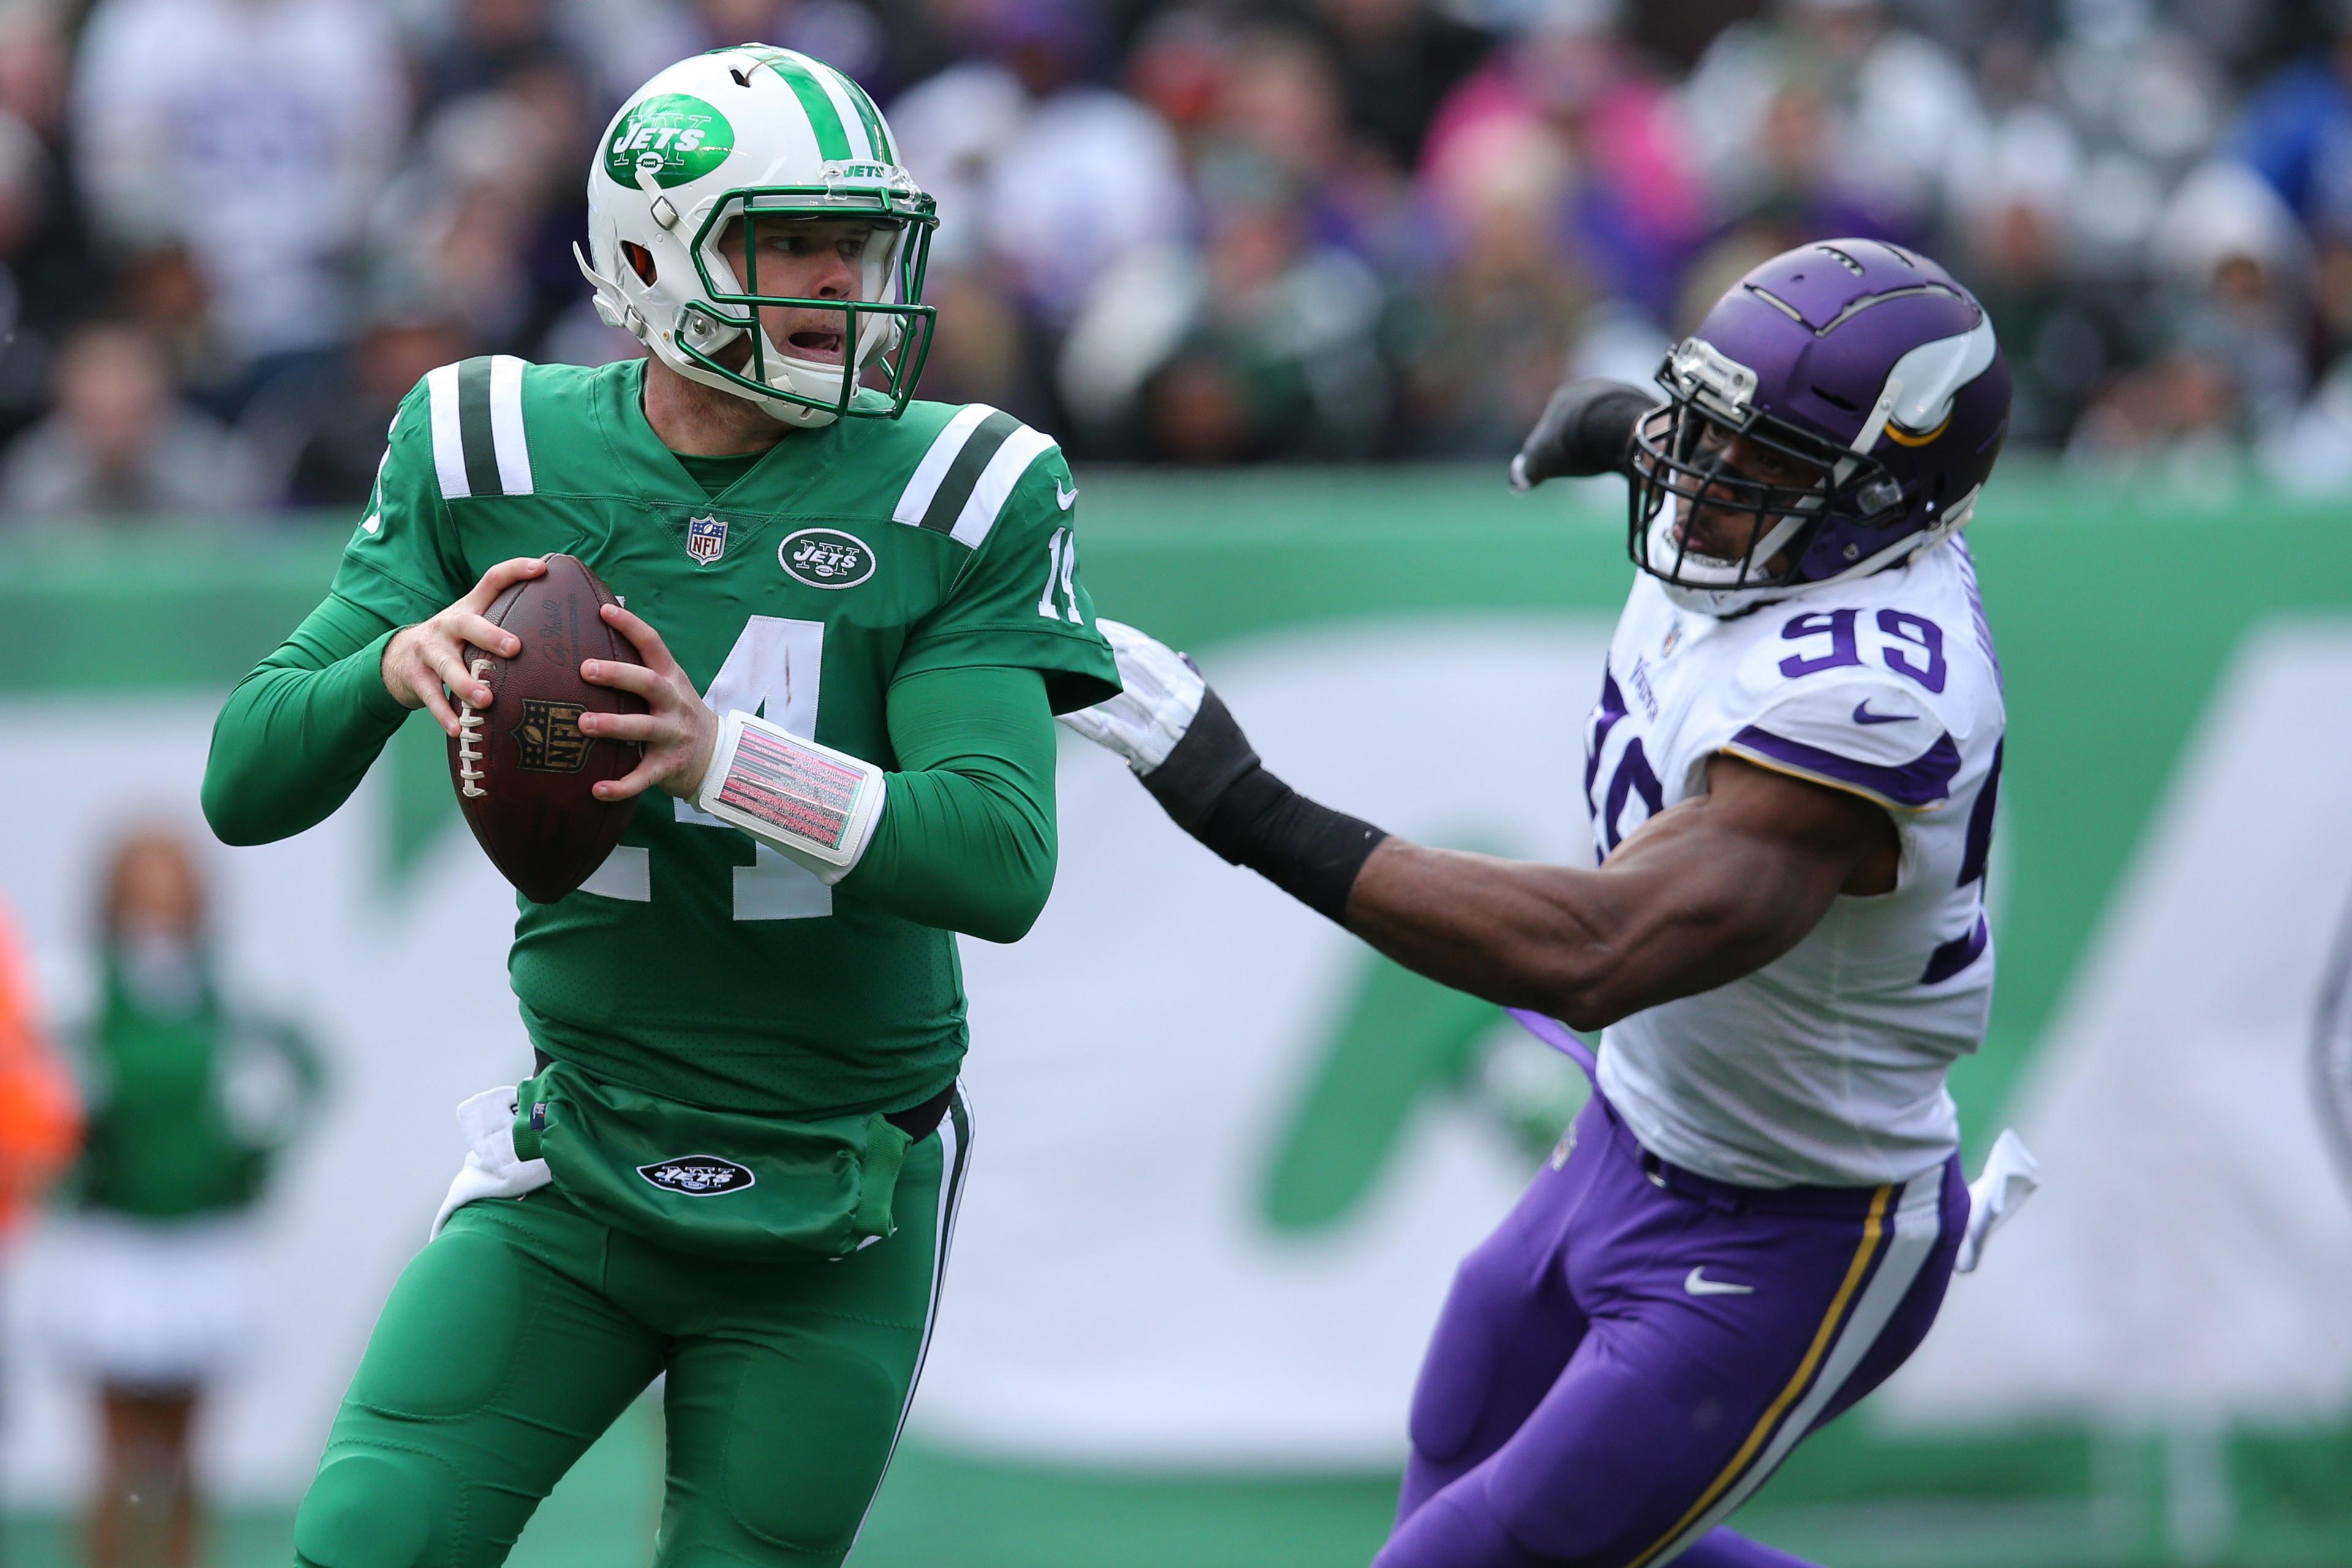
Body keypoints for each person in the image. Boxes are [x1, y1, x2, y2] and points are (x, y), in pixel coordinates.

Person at [200, 44, 1115, 1568]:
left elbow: (1001, 855)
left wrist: (719, 757)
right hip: (586, 1140)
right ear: (651, 252)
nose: (846, 282)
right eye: (793, 243)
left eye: (861, 240)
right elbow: (244, 779)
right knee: (367, 1529)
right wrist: (384, 663)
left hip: (842, 1182)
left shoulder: (962, 485)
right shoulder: (487, 445)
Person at [1063, 238, 2020, 1568]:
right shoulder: (1784, 510)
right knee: (1466, 1450)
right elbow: (1737, 450)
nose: (1697, 482)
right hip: (1637, 1134)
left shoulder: (1870, 694)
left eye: (1753, 467)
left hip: (1804, 1226)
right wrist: (1628, 424)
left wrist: (1242, 799)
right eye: (1699, 428)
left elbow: (1596, 949)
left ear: (1876, 508)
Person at [49, 829, 325, 1568]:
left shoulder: (237, 983)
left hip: (205, 1246)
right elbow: (40, 1104)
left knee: (188, 1465)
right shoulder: (76, 987)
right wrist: (73, 1160)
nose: (158, 899)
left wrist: (250, 1159)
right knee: (114, 1461)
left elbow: (307, 1071)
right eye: (142, 883)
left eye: (171, 881)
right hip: (115, 1246)